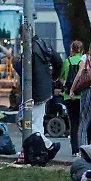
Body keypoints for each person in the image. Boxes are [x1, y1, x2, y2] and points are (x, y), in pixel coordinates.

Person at [18, 26, 63, 160]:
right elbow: (58, 61)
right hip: (45, 88)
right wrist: (53, 77)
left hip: (34, 91)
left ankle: (48, 146)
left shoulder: (28, 49)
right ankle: (41, 151)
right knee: (37, 122)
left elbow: (24, 71)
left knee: (25, 122)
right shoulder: (44, 44)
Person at [60, 41, 84, 156]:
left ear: (72, 49)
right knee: (83, 122)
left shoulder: (67, 62)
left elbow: (62, 77)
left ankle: (75, 150)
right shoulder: (83, 61)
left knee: (73, 123)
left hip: (69, 96)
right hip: (82, 95)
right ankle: (84, 147)